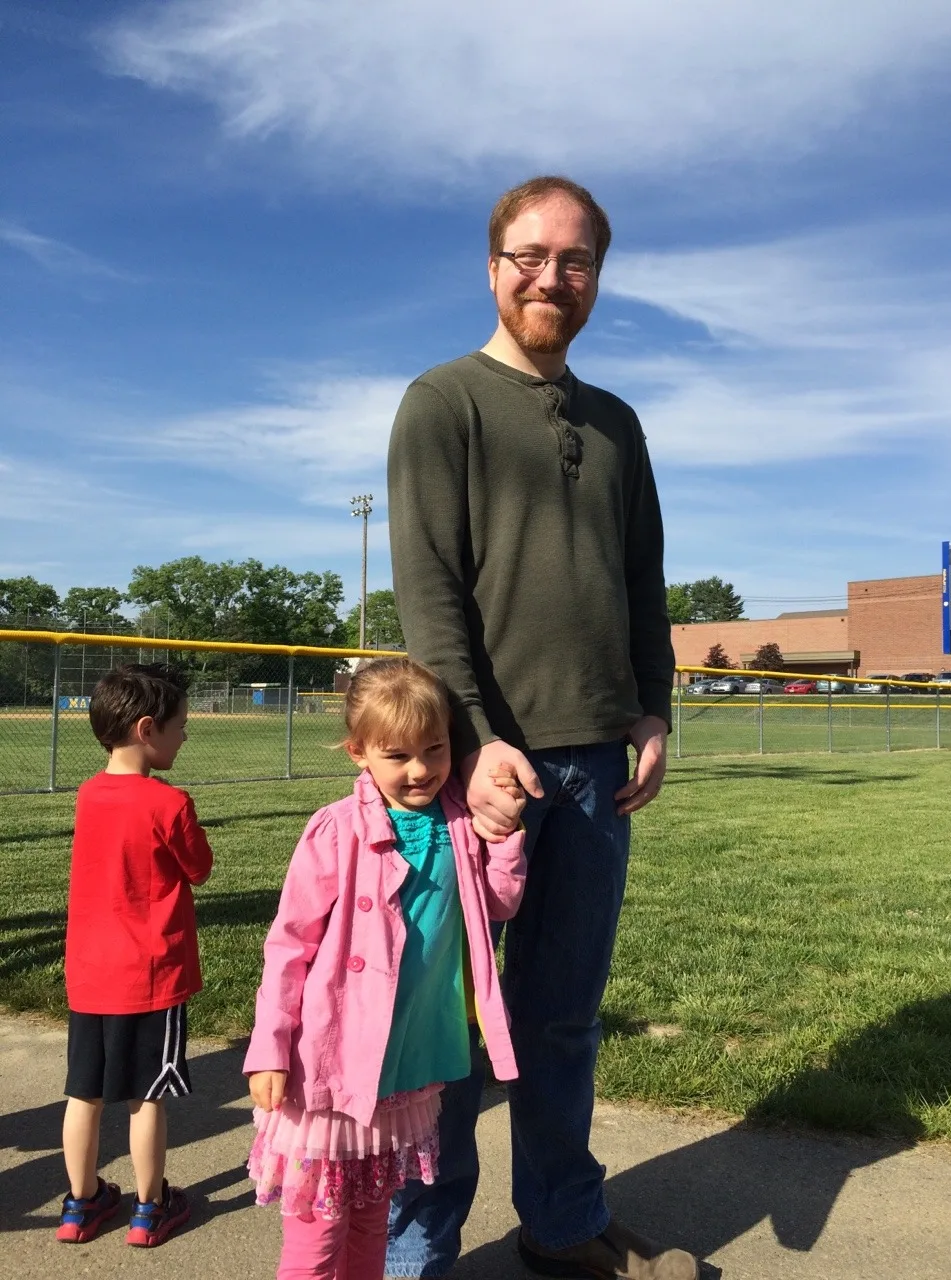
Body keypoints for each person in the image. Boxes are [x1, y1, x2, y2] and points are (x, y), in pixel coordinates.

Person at [387, 176, 699, 1279]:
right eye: (529, 255)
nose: (549, 277)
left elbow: (644, 579)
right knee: (447, 1027)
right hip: (478, 771)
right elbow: (428, 592)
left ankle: (560, 1221)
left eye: (574, 261)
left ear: (596, 280)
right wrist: (468, 742)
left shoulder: (619, 424)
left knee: (562, 1016)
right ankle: (416, 1248)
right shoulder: (444, 401)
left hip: (596, 763)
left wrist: (653, 703)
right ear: (491, 266)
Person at [242, 657, 526, 1280]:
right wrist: (269, 1047)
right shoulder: (335, 831)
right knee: (317, 1238)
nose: (421, 769)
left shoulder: (462, 825)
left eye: (435, 748)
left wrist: (505, 841)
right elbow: (288, 945)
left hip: (406, 1067)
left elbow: (499, 904)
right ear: (358, 753)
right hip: (330, 1064)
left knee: (373, 1220)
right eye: (397, 755)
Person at [58, 662, 213, 1248]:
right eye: (180, 725)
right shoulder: (168, 802)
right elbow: (199, 868)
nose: (185, 735)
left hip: (89, 973)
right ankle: (149, 1209)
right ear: (148, 729)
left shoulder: (88, 793)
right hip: (151, 975)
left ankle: (80, 1203)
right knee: (146, 1097)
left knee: (84, 1092)